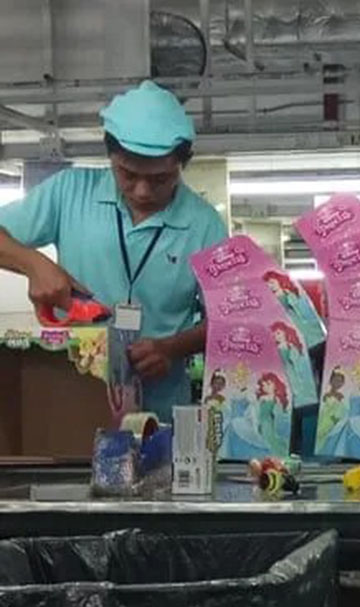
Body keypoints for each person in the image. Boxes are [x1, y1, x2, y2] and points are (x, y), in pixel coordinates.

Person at [0, 81, 227, 421]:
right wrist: (33, 264)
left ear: (183, 164)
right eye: (127, 174)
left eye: (160, 179)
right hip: (71, 398)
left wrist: (171, 348)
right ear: (110, 156)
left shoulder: (205, 225)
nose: (142, 190)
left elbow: (229, 320)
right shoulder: (68, 192)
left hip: (160, 414)